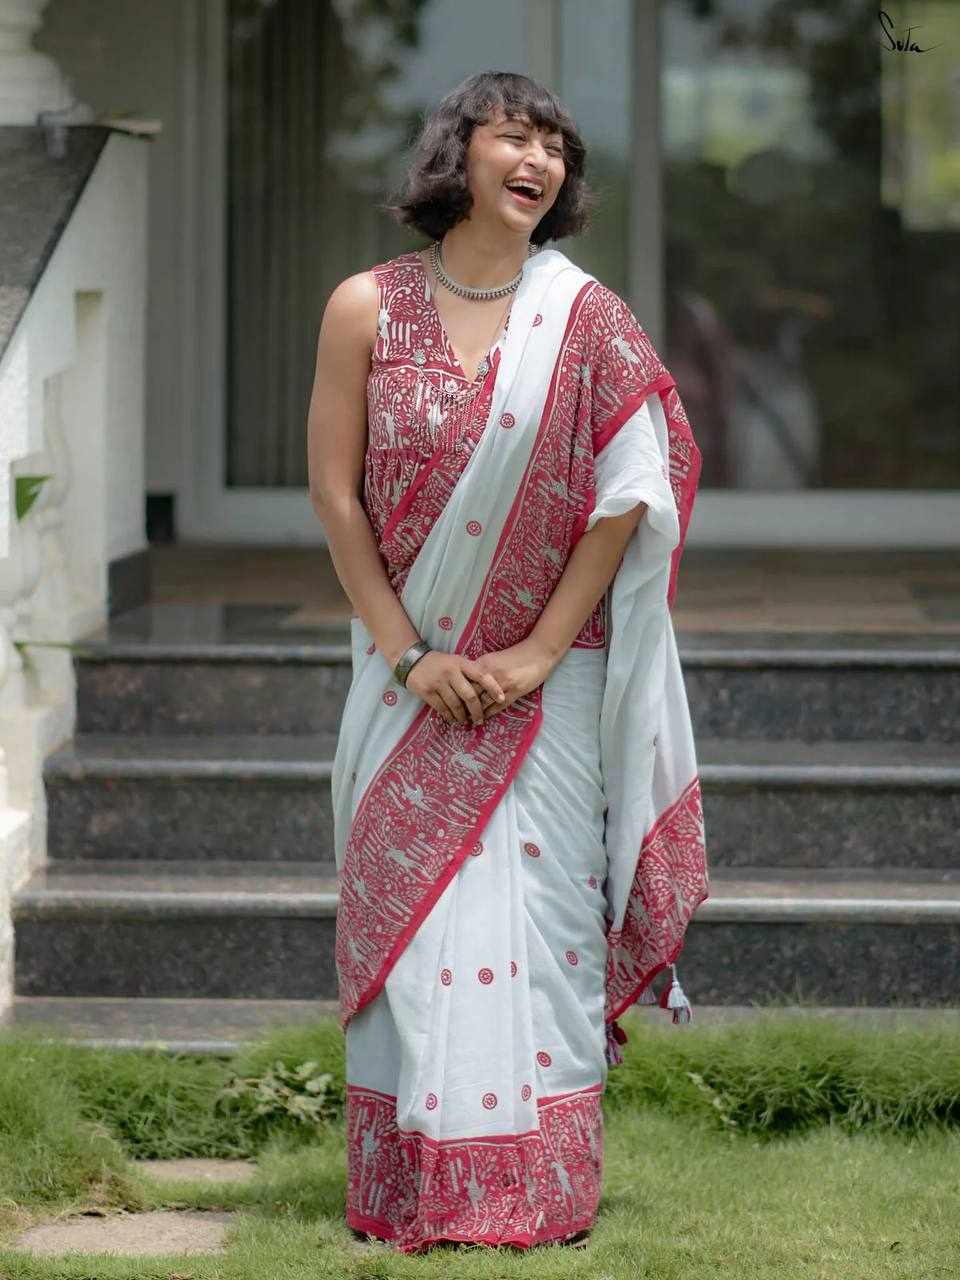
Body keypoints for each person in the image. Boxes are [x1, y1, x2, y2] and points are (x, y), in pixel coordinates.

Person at [307, 70, 709, 1256]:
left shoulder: (587, 318)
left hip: (549, 684)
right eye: (513, 136)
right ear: (459, 152)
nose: (537, 160)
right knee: (419, 930)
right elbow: (335, 495)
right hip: (406, 679)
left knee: (543, 928)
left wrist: (535, 649)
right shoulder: (365, 307)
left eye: (555, 146)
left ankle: (539, 1189)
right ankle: (420, 1188)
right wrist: (410, 656)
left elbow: (632, 495)